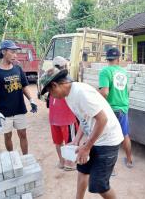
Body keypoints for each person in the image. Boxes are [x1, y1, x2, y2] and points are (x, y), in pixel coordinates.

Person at [40, 67, 124, 199]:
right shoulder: (68, 95)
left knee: (100, 185)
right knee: (82, 169)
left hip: (108, 139)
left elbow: (102, 119)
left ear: (55, 85)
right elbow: (83, 118)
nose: (51, 96)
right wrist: (76, 140)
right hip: (95, 136)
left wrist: (87, 147)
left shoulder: (81, 93)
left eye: (50, 92)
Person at [0, 40, 37, 155]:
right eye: (12, 52)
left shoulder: (17, 69)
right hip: (4, 112)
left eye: (16, 52)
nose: (15, 55)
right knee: (8, 135)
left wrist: (31, 100)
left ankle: (25, 157)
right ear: (4, 52)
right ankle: (11, 157)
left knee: (23, 134)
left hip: (19, 109)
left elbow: (24, 86)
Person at [99, 47, 133, 168]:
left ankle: (109, 168)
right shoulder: (123, 72)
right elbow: (125, 90)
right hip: (123, 108)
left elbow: (104, 92)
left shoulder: (105, 72)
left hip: (111, 109)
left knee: (108, 137)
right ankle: (129, 160)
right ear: (118, 59)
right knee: (125, 135)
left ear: (107, 59)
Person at [48, 56, 79, 171]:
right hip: (66, 118)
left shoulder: (49, 79)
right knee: (68, 141)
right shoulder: (68, 80)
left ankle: (63, 162)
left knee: (60, 141)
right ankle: (68, 163)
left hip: (56, 117)